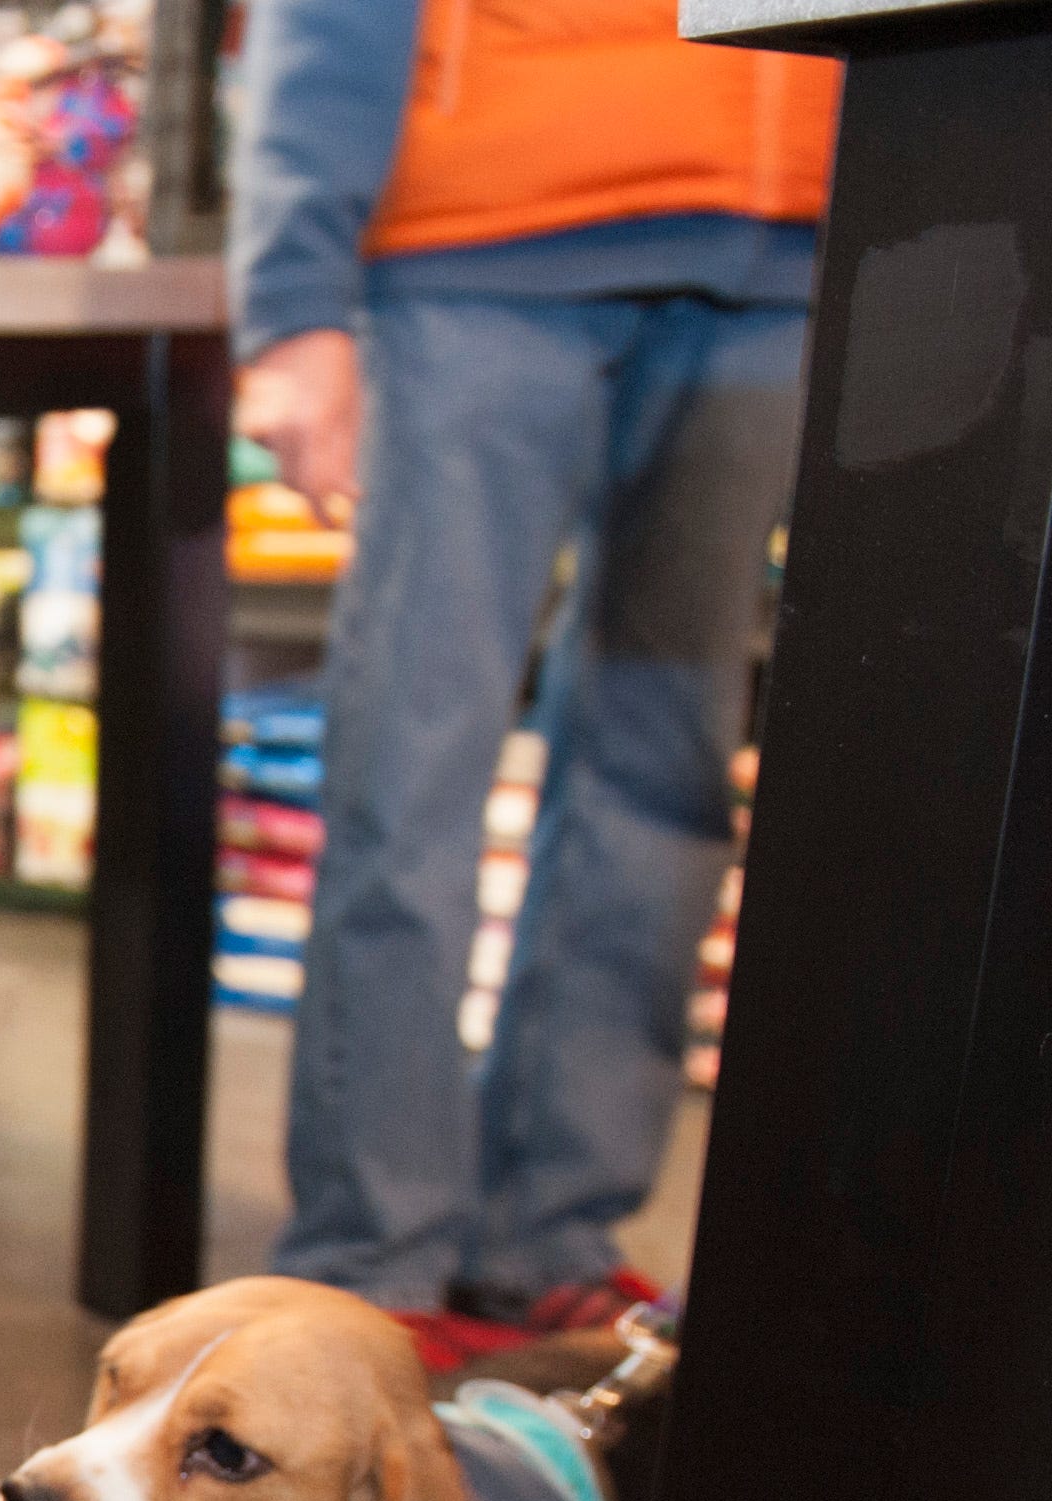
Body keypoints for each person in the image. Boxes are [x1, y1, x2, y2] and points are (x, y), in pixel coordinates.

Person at [236, 0, 836, 1350]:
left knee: (665, 768)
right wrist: (295, 296)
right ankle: (371, 1261)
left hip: (779, 243)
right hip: (480, 230)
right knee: (412, 767)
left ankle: (547, 1238)